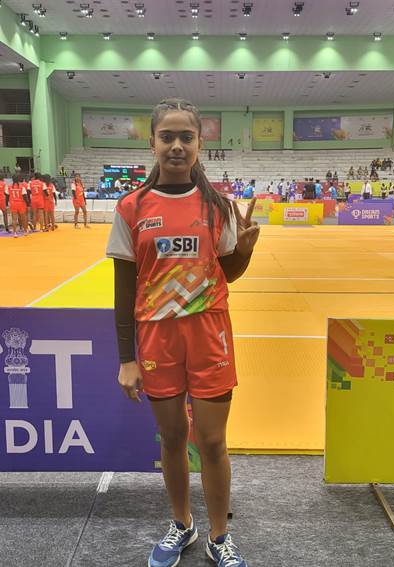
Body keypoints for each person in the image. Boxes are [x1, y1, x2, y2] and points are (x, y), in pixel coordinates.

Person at [106, 98, 259, 567]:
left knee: (212, 442)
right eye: (167, 136)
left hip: (210, 333)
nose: (176, 145)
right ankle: (182, 524)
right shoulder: (131, 208)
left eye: (186, 137)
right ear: (151, 143)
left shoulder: (218, 206)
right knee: (172, 439)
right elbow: (124, 289)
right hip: (157, 337)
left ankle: (219, 535)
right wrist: (126, 358)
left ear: (199, 145)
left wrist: (244, 251)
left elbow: (227, 274)